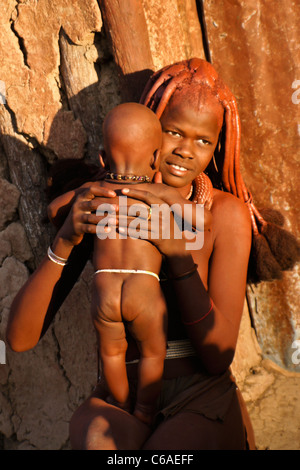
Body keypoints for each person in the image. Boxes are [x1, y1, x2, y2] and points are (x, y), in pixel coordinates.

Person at [6, 58, 299, 450]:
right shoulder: (104, 204)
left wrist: (177, 255)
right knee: (96, 439)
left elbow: (217, 357)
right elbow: (20, 339)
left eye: (203, 141)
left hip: (199, 395)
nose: (185, 152)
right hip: (122, 394)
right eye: (174, 131)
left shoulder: (223, 215)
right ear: (149, 131)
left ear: (216, 149)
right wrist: (63, 241)